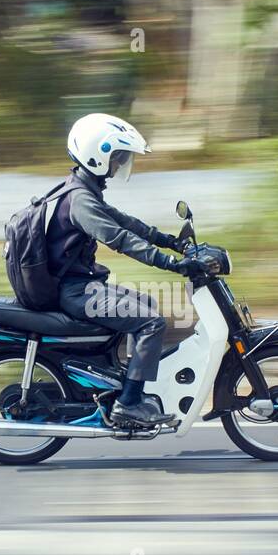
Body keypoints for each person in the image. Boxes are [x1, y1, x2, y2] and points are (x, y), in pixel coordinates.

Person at [47, 113, 200, 426]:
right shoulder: (80, 201)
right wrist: (169, 263)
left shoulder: (84, 190)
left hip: (82, 285)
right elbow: (119, 238)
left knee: (148, 306)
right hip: (75, 292)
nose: (121, 165)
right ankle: (128, 404)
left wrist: (171, 242)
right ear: (98, 156)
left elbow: (127, 223)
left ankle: (131, 386)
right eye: (118, 158)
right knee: (152, 322)